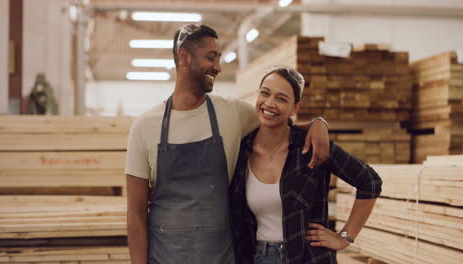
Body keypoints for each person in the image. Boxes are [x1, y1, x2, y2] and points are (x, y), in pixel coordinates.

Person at [125, 24, 330, 264]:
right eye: (210, 58)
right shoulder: (145, 126)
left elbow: (279, 121)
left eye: (219, 58)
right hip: (166, 256)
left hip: (220, 257)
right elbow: (136, 215)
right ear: (184, 56)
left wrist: (318, 123)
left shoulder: (231, 112)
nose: (218, 67)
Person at [229, 65, 382, 264]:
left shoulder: (311, 146)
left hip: (309, 258)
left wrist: (344, 237)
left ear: (295, 108)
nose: (269, 103)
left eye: (281, 98)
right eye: (265, 93)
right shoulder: (241, 151)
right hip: (259, 257)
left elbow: (369, 181)